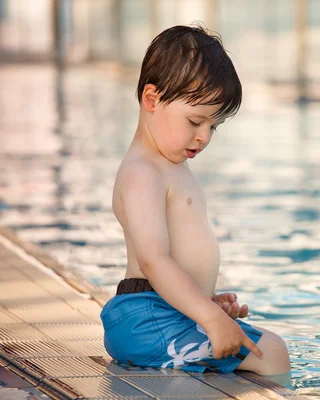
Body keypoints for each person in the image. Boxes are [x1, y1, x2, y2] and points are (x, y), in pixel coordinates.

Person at [99, 24, 291, 385]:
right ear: (152, 99)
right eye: (195, 121)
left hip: (166, 311)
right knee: (272, 353)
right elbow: (154, 262)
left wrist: (207, 301)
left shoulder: (171, 166)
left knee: (263, 347)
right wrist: (210, 317)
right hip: (144, 317)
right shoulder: (143, 173)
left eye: (213, 126)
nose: (204, 136)